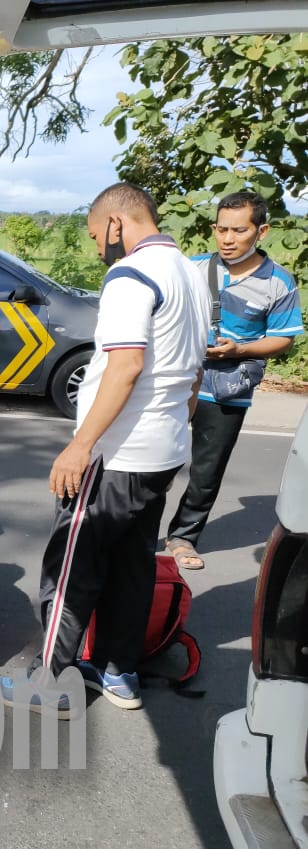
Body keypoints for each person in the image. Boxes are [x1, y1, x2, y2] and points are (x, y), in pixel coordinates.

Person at [0, 182, 210, 718]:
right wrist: (177, 413)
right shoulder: (193, 273)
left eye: (96, 235)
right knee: (132, 563)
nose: (97, 248)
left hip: (116, 454)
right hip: (161, 451)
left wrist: (81, 446)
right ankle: (120, 672)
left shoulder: (131, 275)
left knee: (72, 564)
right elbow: (193, 366)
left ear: (117, 223)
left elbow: (126, 365)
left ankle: (50, 683)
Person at [164, 191, 303, 570]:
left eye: (239, 230)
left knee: (206, 471)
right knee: (155, 459)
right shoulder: (190, 269)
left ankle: (183, 537)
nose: (228, 239)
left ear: (261, 231)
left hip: (227, 390)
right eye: (222, 229)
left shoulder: (278, 282)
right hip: (176, 381)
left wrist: (238, 350)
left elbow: (283, 338)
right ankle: (137, 532)